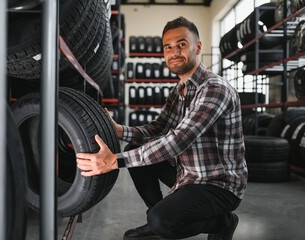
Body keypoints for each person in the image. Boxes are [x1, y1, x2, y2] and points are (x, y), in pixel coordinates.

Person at [77, 16, 248, 240]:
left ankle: (221, 222)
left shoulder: (214, 89)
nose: (174, 52)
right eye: (168, 47)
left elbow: (178, 140)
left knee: (162, 220)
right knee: (135, 145)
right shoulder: (178, 92)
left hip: (219, 184)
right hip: (187, 175)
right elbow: (157, 130)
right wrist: (119, 130)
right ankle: (158, 218)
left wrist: (114, 160)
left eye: (181, 44)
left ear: (197, 46)